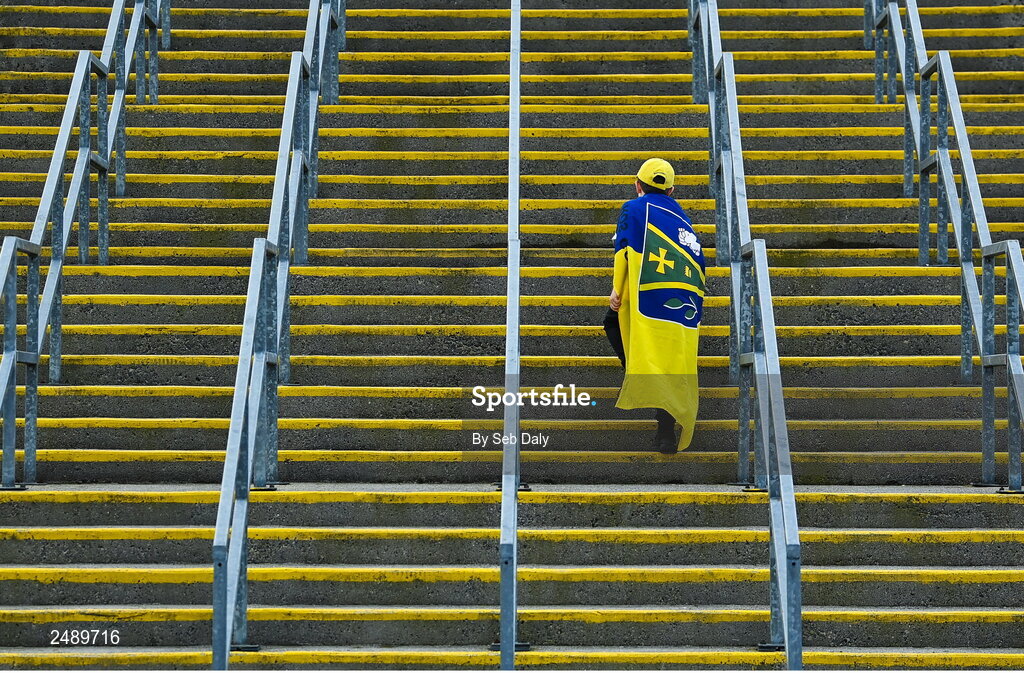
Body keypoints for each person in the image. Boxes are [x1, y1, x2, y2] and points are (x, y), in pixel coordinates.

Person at [604, 158, 706, 454]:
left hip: (645, 294)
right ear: (672, 190)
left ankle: (639, 374)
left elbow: (624, 248)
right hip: (681, 300)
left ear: (637, 185)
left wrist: (617, 288)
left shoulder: (633, 208)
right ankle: (665, 429)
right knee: (673, 360)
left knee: (612, 324)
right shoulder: (682, 218)